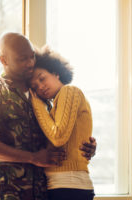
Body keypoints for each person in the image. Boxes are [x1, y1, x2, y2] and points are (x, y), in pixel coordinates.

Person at [0, 32, 96, 200]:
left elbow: (58, 134)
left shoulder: (43, 98)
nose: (30, 63)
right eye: (22, 59)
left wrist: (85, 146)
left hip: (44, 192)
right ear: (4, 60)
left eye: (32, 57)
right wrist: (32, 158)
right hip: (5, 193)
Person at [29, 47, 95, 200]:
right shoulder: (54, 106)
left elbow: (58, 137)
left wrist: (37, 104)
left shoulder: (69, 91)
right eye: (34, 87)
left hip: (70, 186)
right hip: (62, 185)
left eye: (42, 78)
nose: (40, 87)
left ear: (55, 73)